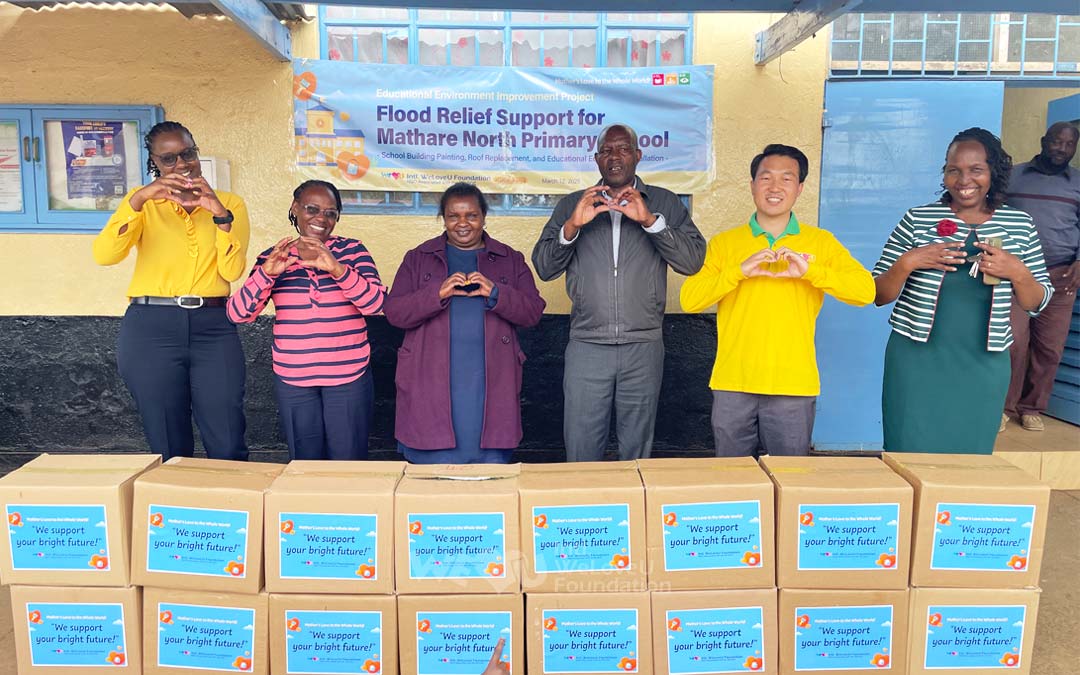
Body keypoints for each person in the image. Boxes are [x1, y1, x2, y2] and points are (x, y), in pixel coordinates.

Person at [681, 144, 875, 457]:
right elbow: (689, 300)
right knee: (732, 476)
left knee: (790, 476)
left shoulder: (820, 243)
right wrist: (738, 271)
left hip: (793, 384)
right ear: (752, 185)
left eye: (786, 179)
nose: (774, 187)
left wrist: (811, 271)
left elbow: (865, 291)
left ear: (800, 188)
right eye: (766, 177)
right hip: (734, 382)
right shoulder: (725, 244)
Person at [531, 123, 706, 461]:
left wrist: (651, 221)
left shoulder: (665, 203)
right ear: (596, 159)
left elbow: (692, 262)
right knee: (581, 447)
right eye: (607, 151)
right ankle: (585, 497)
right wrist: (572, 226)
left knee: (636, 451)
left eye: (624, 149)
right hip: (587, 344)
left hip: (643, 344)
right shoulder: (572, 204)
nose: (615, 157)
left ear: (638, 155)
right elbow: (544, 267)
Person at [873, 127, 1053, 454]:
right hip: (915, 359)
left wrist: (1016, 271)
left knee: (971, 460)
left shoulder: (1020, 224)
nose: (963, 180)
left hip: (984, 363)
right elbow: (878, 294)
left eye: (976, 169)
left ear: (993, 172)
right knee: (908, 451)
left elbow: (1036, 302)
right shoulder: (917, 219)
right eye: (953, 170)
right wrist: (909, 262)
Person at [92, 121, 250, 460]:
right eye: (169, 159)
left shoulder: (229, 203)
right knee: (167, 439)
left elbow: (232, 271)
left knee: (227, 433)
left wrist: (220, 217)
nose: (182, 164)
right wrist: (138, 200)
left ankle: (231, 494)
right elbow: (105, 255)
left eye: (188, 154)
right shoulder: (143, 204)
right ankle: (173, 494)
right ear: (155, 163)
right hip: (151, 326)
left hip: (213, 326)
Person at [384, 183, 545, 464]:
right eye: (453, 216)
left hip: (490, 379)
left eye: (471, 215)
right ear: (443, 219)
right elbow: (395, 313)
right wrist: (436, 293)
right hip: (429, 377)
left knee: (488, 465)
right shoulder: (418, 258)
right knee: (433, 468)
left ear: (483, 217)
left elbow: (533, 312)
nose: (462, 223)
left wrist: (497, 293)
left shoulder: (509, 259)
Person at [227, 180, 385, 460]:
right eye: (312, 209)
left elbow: (376, 305)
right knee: (304, 462)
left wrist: (337, 269)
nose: (321, 219)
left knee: (349, 462)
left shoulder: (353, 251)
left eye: (330, 213)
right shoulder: (274, 256)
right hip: (294, 380)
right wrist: (267, 274)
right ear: (295, 209)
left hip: (348, 377)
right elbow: (238, 313)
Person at [1003, 122, 1080, 432]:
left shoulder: (1078, 183)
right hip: (1017, 276)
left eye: (1069, 144)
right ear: (1043, 141)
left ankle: (1031, 407)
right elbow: (995, 215)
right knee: (1013, 341)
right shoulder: (1013, 177)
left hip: (1061, 276)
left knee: (1050, 347)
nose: (1062, 148)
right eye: (1056, 141)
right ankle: (1004, 407)